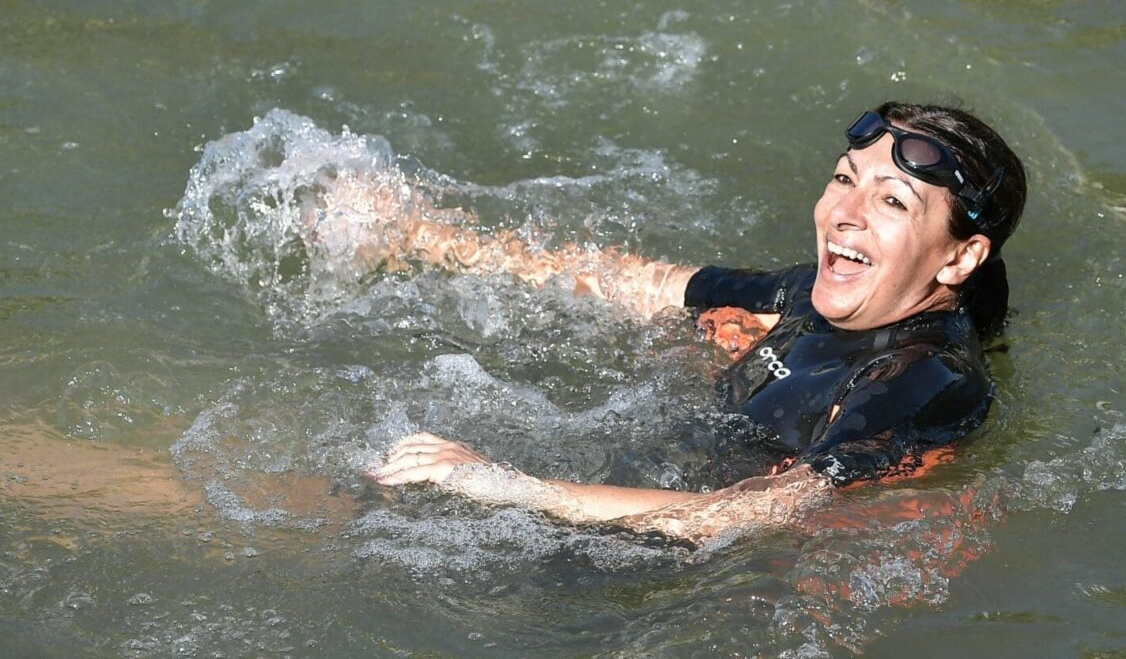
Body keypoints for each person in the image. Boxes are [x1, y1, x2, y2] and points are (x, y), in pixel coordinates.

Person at [373, 101, 1028, 546]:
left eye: (891, 200)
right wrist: (422, 236)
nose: (843, 214)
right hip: (607, 494)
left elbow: (752, 514)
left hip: (649, 569)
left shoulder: (923, 379)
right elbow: (645, 283)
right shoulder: (810, 290)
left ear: (960, 257)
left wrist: (503, 485)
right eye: (843, 179)